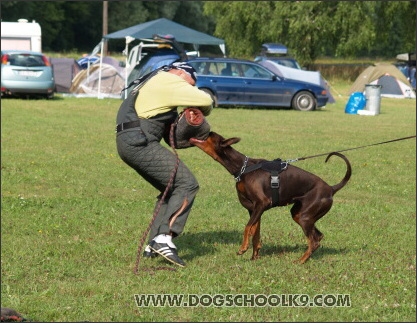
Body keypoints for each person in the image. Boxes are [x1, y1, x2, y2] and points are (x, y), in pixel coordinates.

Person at [115, 61, 213, 267]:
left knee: (170, 189)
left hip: (131, 139)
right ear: (179, 72)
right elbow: (205, 100)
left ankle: (153, 243)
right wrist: (198, 102)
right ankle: (163, 238)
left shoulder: (154, 80)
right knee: (187, 184)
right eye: (190, 83)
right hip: (140, 141)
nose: (189, 88)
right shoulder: (168, 79)